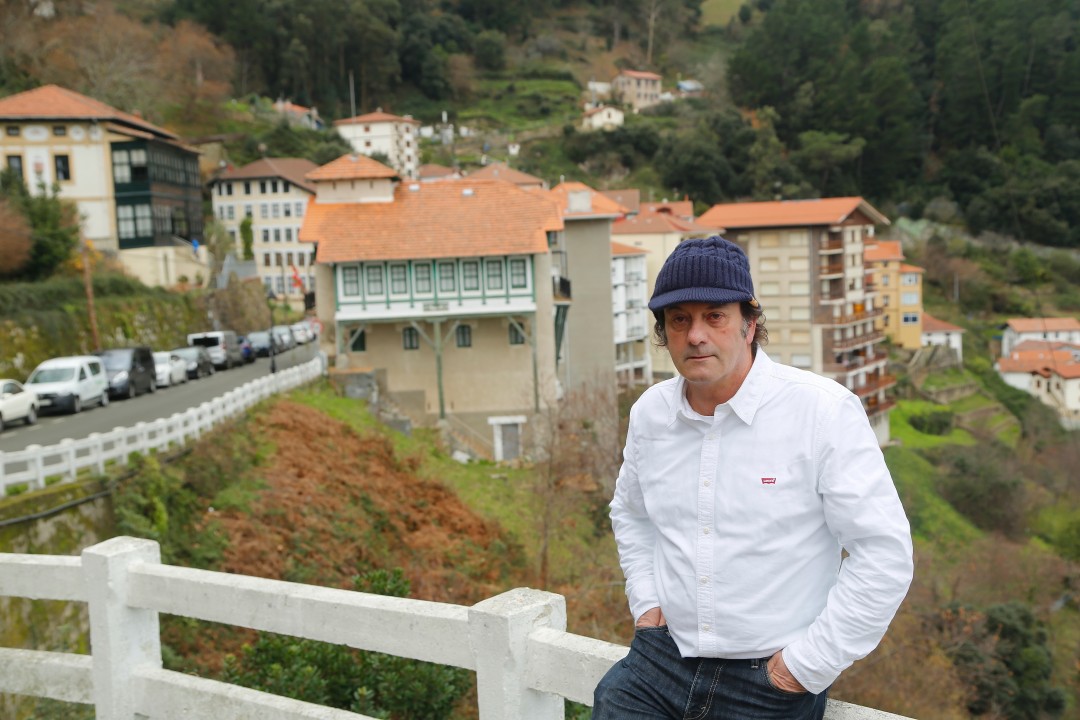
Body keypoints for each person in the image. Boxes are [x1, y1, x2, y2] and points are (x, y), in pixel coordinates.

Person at [593, 236, 914, 719]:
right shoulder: (650, 414)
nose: (695, 335)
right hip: (660, 661)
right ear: (663, 332)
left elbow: (884, 553)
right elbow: (631, 514)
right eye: (679, 319)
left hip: (769, 681)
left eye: (714, 316)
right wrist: (647, 605)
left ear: (749, 324)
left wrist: (802, 668)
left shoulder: (822, 412)